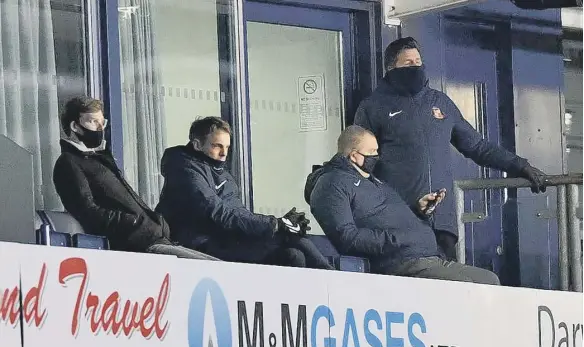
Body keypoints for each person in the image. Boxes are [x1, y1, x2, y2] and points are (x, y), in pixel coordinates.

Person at [354, 37, 547, 261]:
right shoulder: (372, 107)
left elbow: (477, 146)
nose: (416, 67)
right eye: (408, 63)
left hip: (442, 223)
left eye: (418, 61)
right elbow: (360, 164)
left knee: (449, 287)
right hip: (399, 223)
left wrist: (520, 166)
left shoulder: (440, 102)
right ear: (391, 68)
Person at [305, 125, 500, 285]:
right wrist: (396, 240)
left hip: (429, 257)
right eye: (371, 152)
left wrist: (419, 211)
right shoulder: (330, 184)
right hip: (401, 263)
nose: (376, 157)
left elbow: (386, 216)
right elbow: (346, 237)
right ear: (354, 155)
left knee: (490, 280)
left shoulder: (372, 180)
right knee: (467, 286)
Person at [155, 116, 333, 270]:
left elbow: (238, 214)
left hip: (223, 240)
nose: (224, 153)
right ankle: (336, 282)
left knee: (292, 256)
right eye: (217, 146)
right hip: (196, 244)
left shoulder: (223, 175)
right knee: (290, 239)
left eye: (227, 147)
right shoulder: (184, 170)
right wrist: (275, 224)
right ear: (197, 145)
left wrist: (279, 223)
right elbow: (218, 213)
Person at [53, 96, 217, 260]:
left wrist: (155, 223)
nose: (99, 128)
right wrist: (134, 223)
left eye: (102, 123)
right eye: (93, 121)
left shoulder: (99, 159)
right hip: (137, 245)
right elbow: (87, 211)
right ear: (75, 126)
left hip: (154, 239)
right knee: (212, 268)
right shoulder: (69, 163)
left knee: (218, 267)